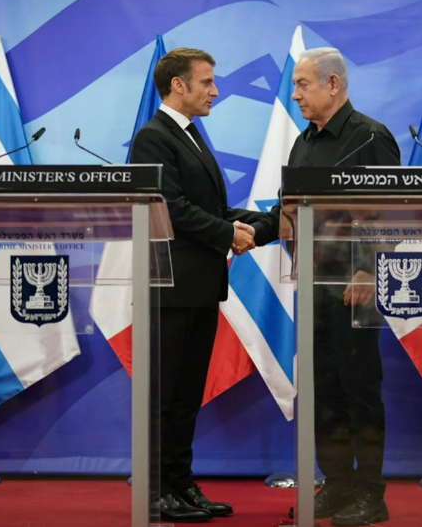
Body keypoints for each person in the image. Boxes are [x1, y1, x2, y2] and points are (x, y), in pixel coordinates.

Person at [249, 47, 400, 526]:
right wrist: (244, 231)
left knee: (359, 390)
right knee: (322, 392)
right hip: (312, 283)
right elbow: (291, 213)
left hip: (355, 287)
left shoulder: (371, 137)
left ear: (333, 84)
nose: (294, 95)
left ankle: (370, 495)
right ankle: (336, 485)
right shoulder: (303, 143)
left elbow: (390, 214)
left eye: (302, 84)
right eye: (294, 86)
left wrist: (369, 268)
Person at [129, 47, 262, 523]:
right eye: (207, 81)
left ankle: (181, 485)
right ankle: (154, 490)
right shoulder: (153, 137)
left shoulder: (190, 134)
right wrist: (228, 232)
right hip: (170, 290)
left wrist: (271, 224)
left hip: (200, 288)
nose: (216, 90)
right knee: (162, 396)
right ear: (178, 85)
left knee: (186, 396)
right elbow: (170, 205)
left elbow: (209, 208)